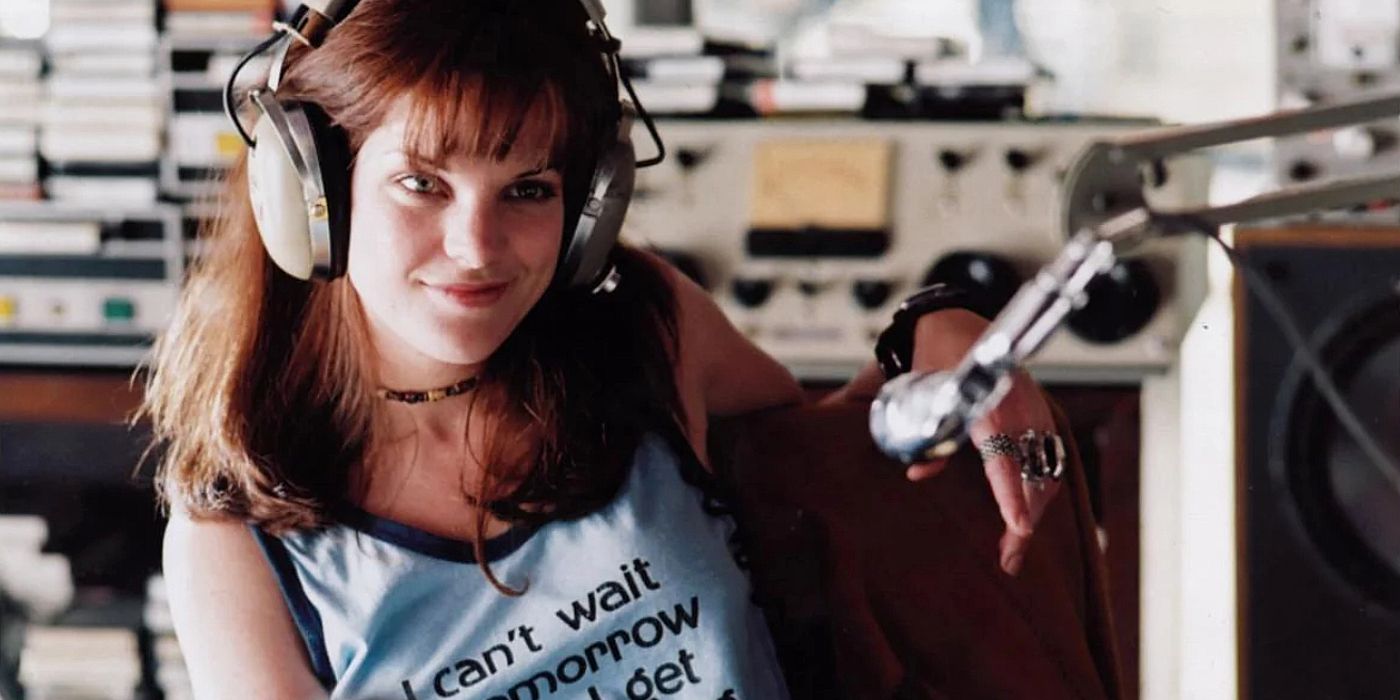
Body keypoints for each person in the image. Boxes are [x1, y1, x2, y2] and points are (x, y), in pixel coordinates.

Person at [143, 1, 1062, 697]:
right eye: (421, 183)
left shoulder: (647, 326)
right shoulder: (235, 539)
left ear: (588, 212)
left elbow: (830, 483)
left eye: (530, 190)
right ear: (315, 194)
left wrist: (947, 336)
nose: (477, 247)